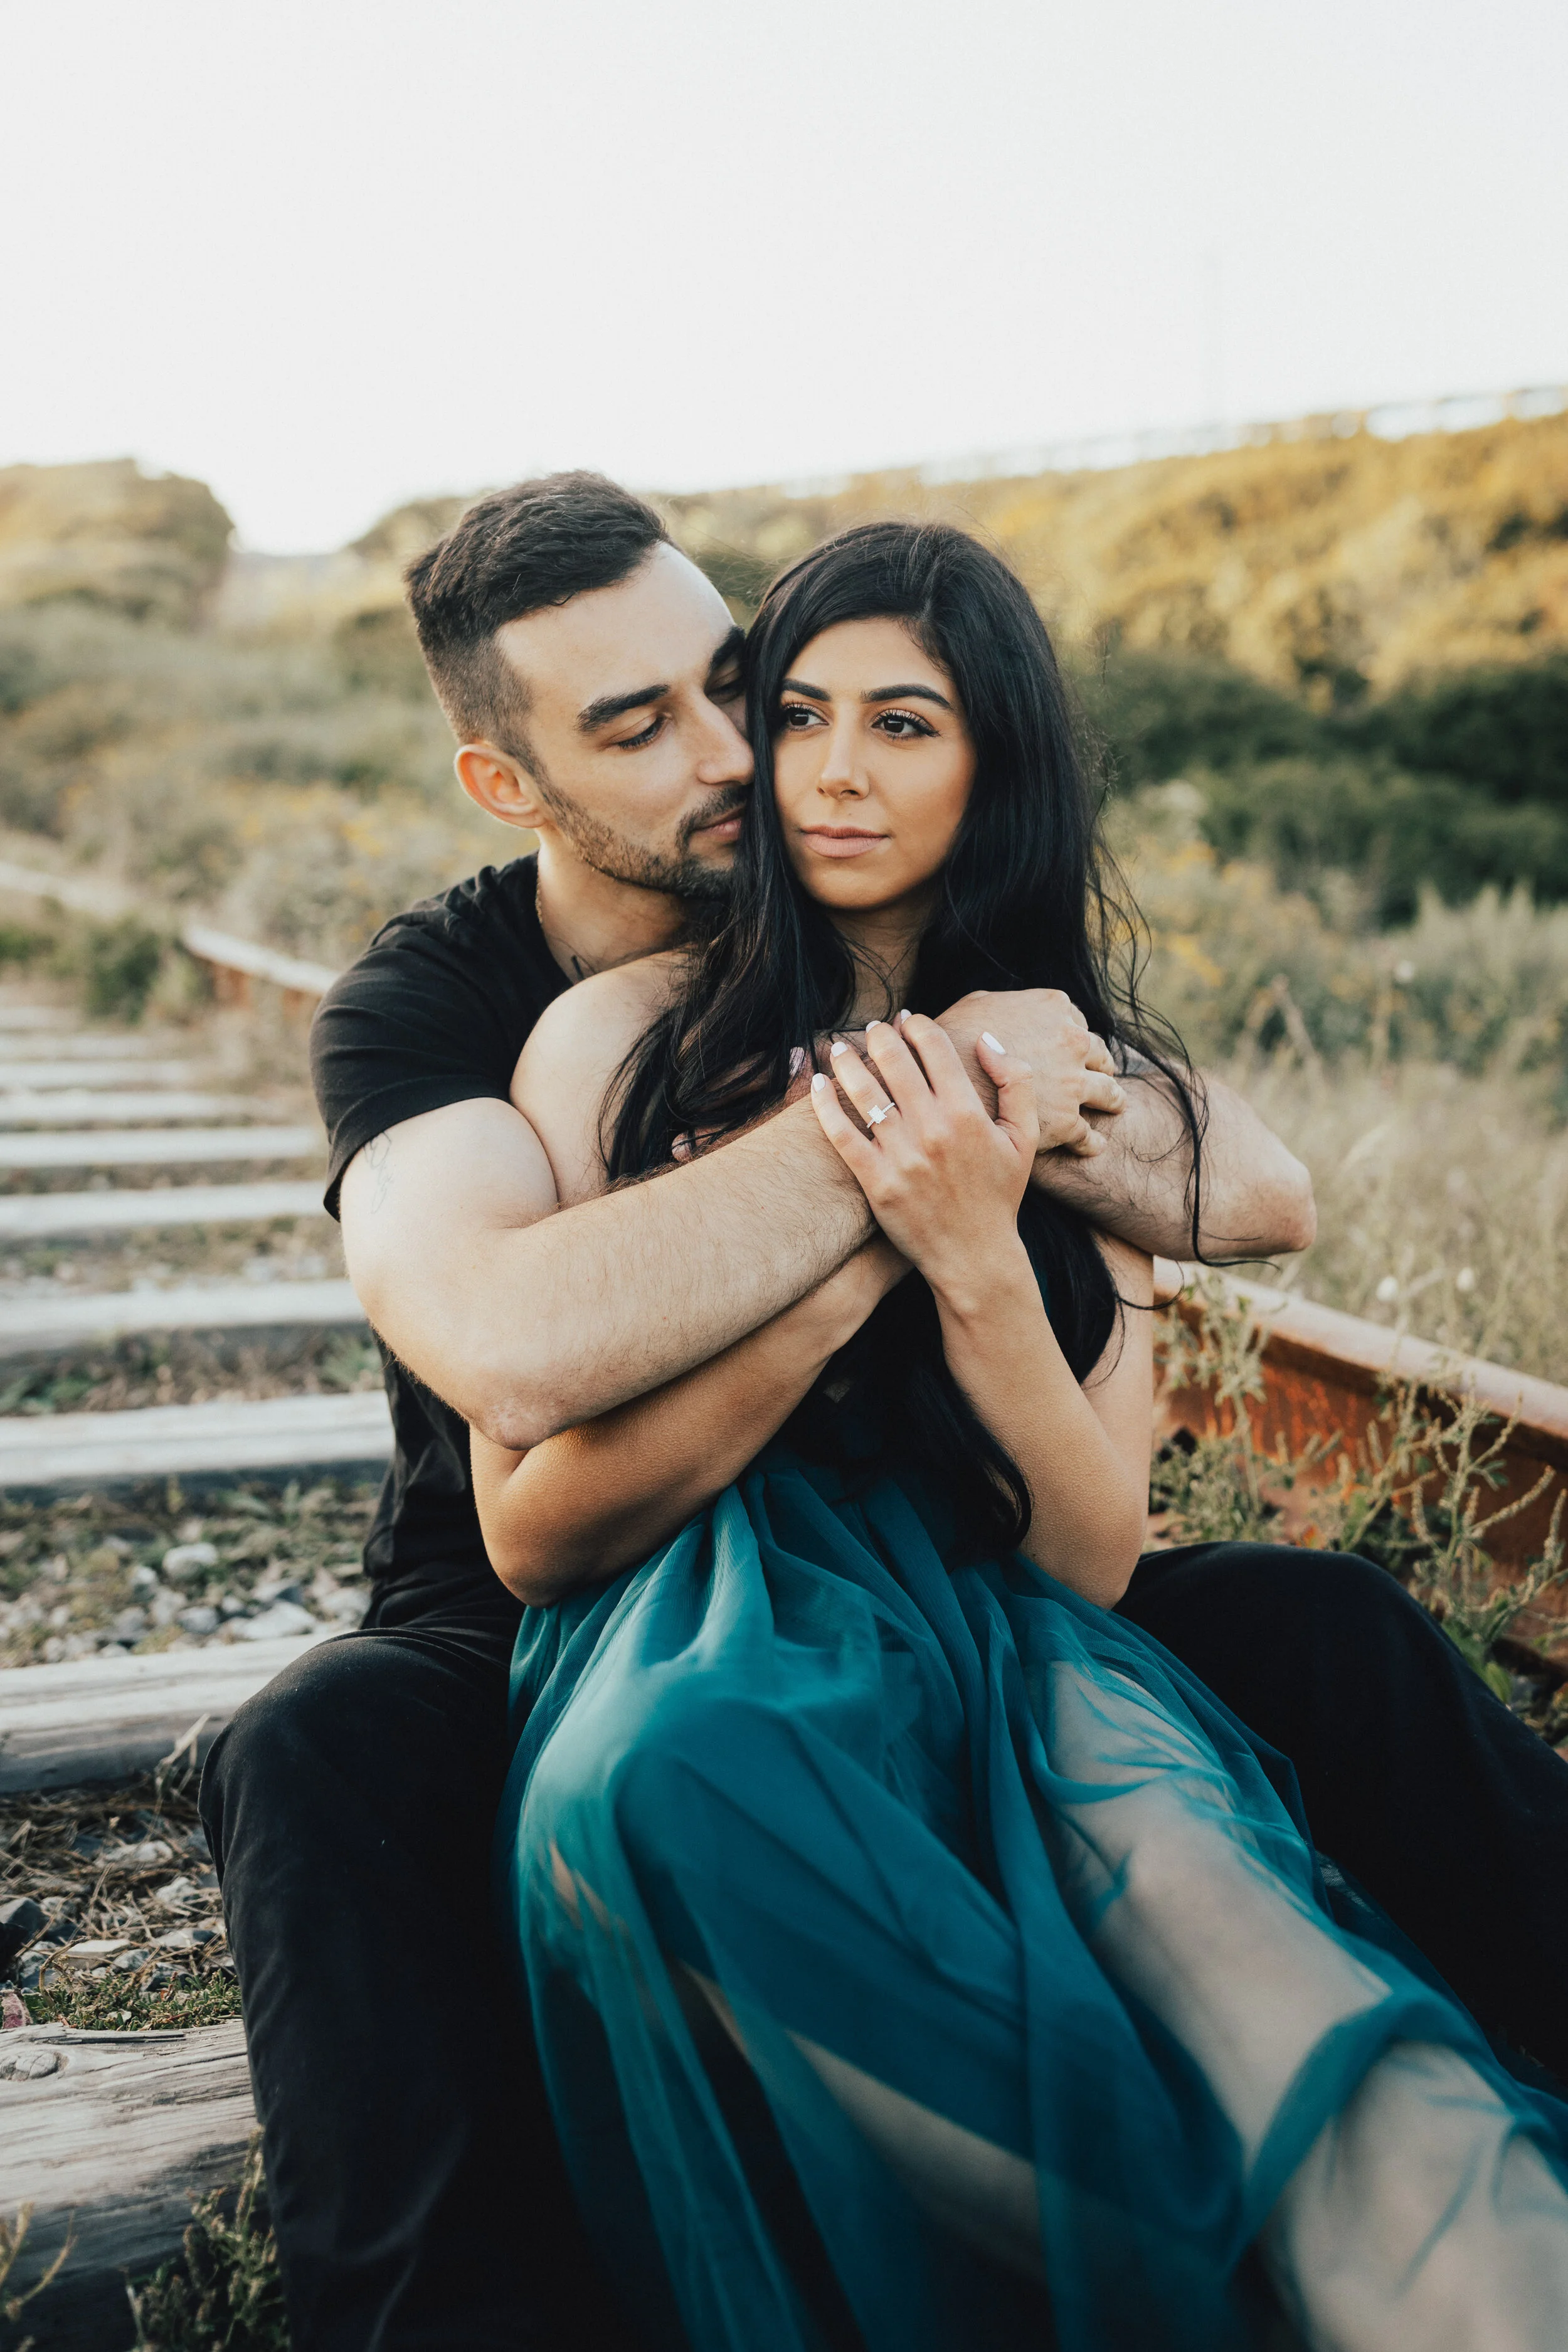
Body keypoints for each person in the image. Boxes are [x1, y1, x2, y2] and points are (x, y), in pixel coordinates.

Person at [200, 473, 1568, 2351]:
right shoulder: (443, 1008)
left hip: (976, 1555)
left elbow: (1248, 1195)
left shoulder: (985, 984)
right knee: (324, 1750)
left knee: (1321, 1633)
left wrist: (987, 1131)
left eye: (731, 685)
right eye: (640, 724)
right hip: (547, 1598)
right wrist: (896, 1154)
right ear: (505, 783)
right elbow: (513, 1349)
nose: (740, 758)